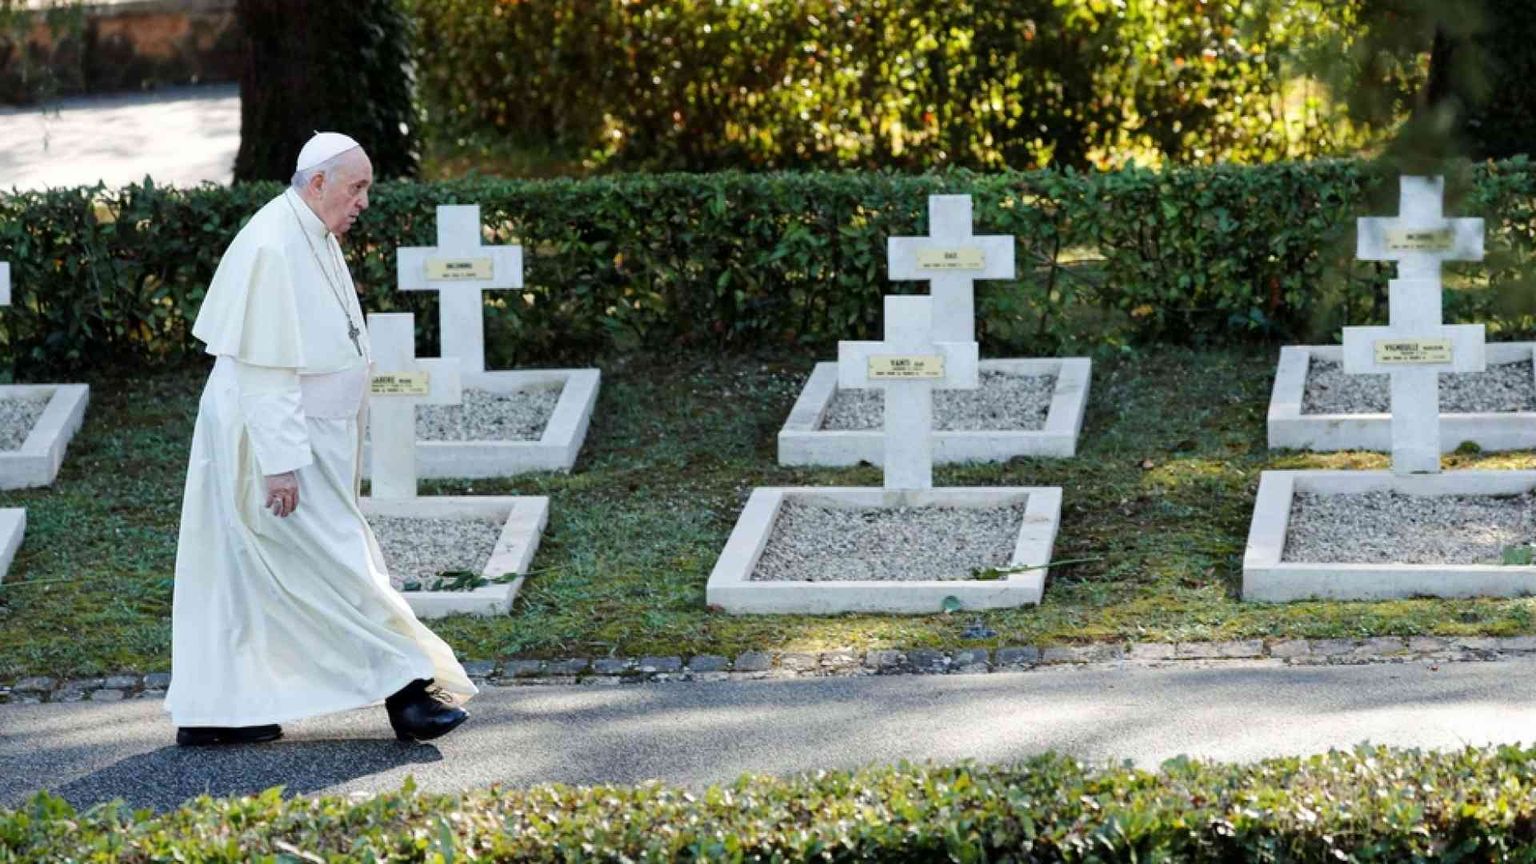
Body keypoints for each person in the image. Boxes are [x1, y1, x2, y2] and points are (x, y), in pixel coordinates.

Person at [165, 132, 476, 746]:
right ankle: (409, 695)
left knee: (242, 577)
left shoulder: (308, 231)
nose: (363, 201)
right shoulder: (275, 245)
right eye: (356, 187)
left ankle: (215, 711)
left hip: (303, 437)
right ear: (318, 183)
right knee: (338, 561)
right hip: (274, 442)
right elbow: (266, 369)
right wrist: (280, 465)